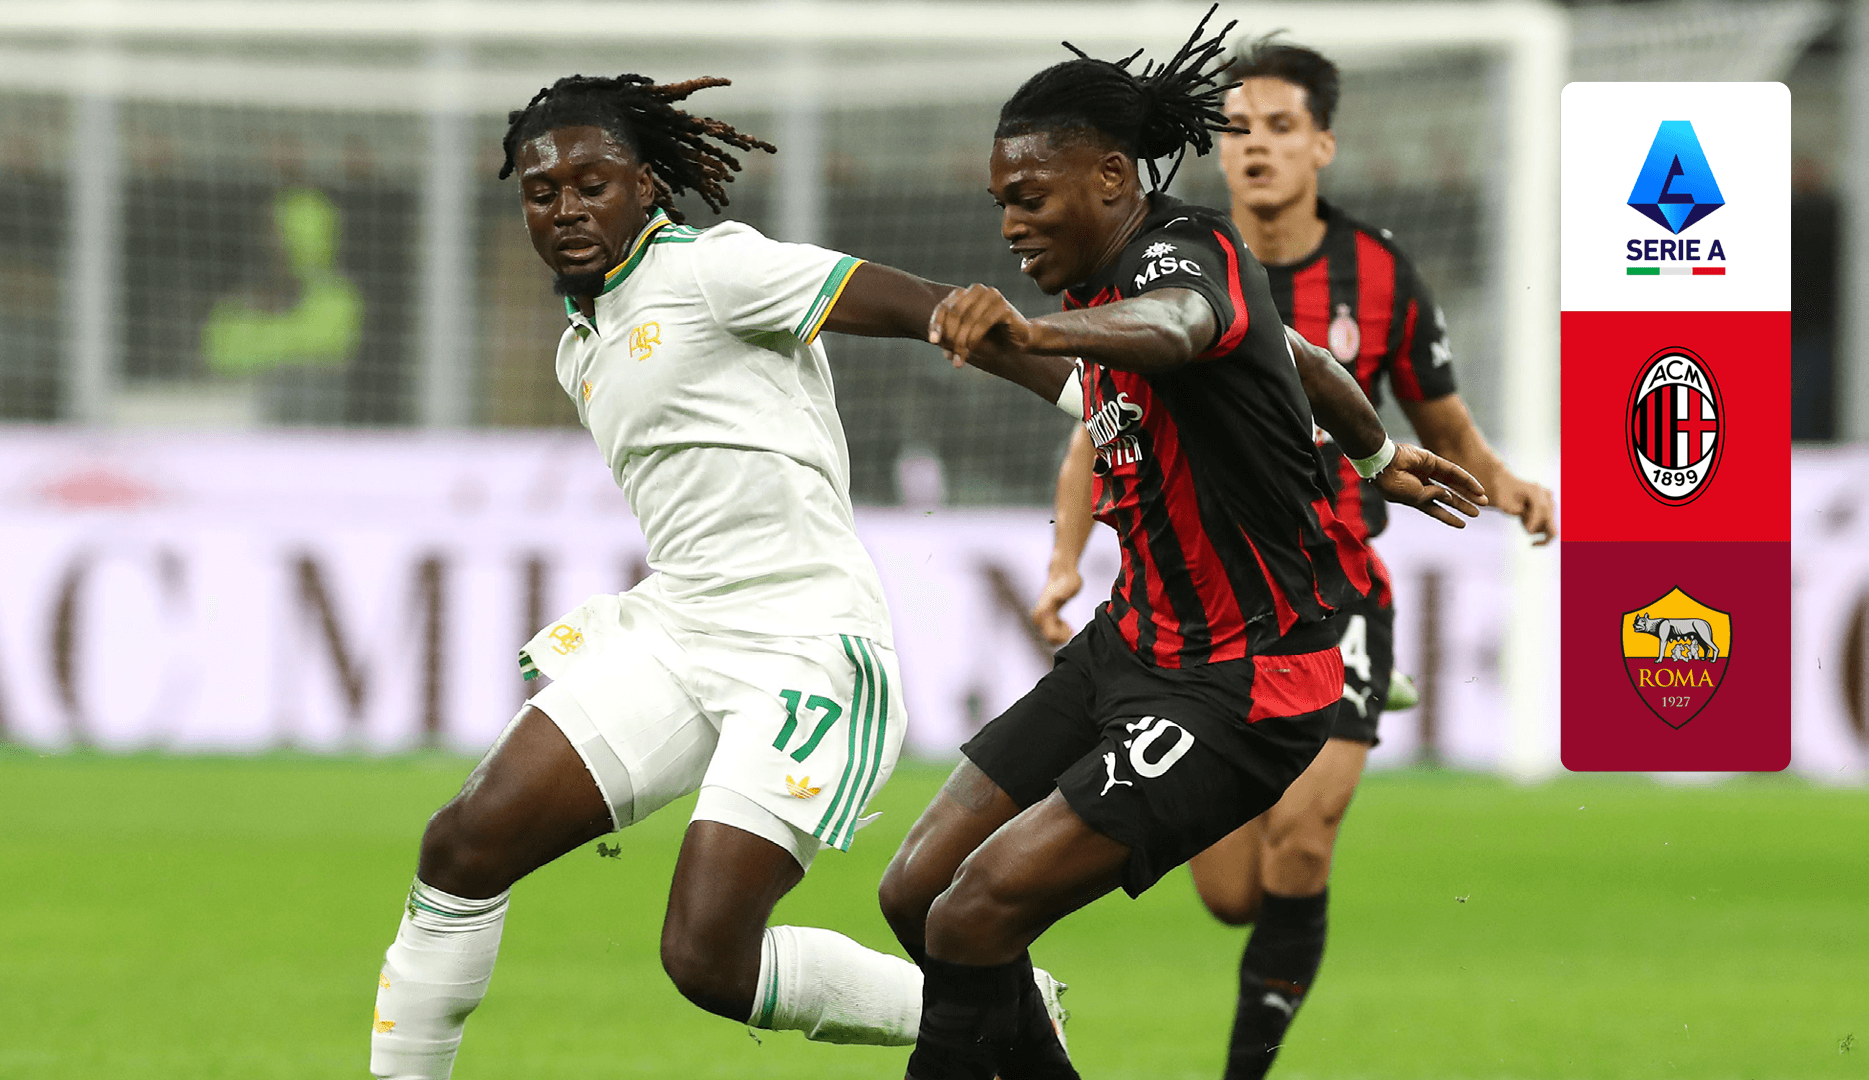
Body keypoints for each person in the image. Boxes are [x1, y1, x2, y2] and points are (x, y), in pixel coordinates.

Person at [367, 72, 1074, 1079]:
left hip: (804, 645)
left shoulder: (714, 270)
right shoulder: (584, 343)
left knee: (706, 958)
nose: (567, 209)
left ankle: (997, 1012)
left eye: (593, 184)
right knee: (463, 845)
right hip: (680, 628)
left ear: (646, 186)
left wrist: (1095, 402)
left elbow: (932, 312)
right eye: (542, 192)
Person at [873, 13, 1489, 1080]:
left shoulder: (1183, 254)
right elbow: (1304, 360)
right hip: (1135, 646)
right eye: (1001, 203)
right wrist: (1377, 453)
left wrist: (1034, 330)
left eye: (1030, 198)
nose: (1011, 226)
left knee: (973, 914)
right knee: (917, 893)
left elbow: (1179, 327)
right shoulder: (1100, 287)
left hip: (1246, 684)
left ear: (1113, 177)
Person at [1028, 37, 1559, 1080]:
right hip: (1213, 607)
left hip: (1340, 586)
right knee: (1233, 893)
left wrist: (1507, 485)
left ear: (1322, 145)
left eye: (1279, 126)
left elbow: (1442, 422)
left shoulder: (1381, 274)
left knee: (1304, 842)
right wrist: (1063, 562)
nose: (1256, 146)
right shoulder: (1167, 261)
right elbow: (1098, 425)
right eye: (1237, 129)